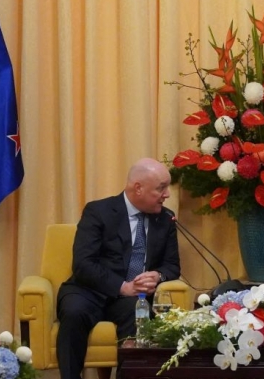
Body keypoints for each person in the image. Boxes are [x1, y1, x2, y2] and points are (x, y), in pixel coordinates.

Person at [56, 158, 180, 379]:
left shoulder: (165, 218)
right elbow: (83, 263)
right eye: (161, 188)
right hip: (89, 290)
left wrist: (158, 275)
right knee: (74, 311)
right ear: (138, 188)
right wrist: (122, 286)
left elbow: (172, 265)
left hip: (131, 299)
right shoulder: (98, 211)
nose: (167, 194)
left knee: (138, 311)